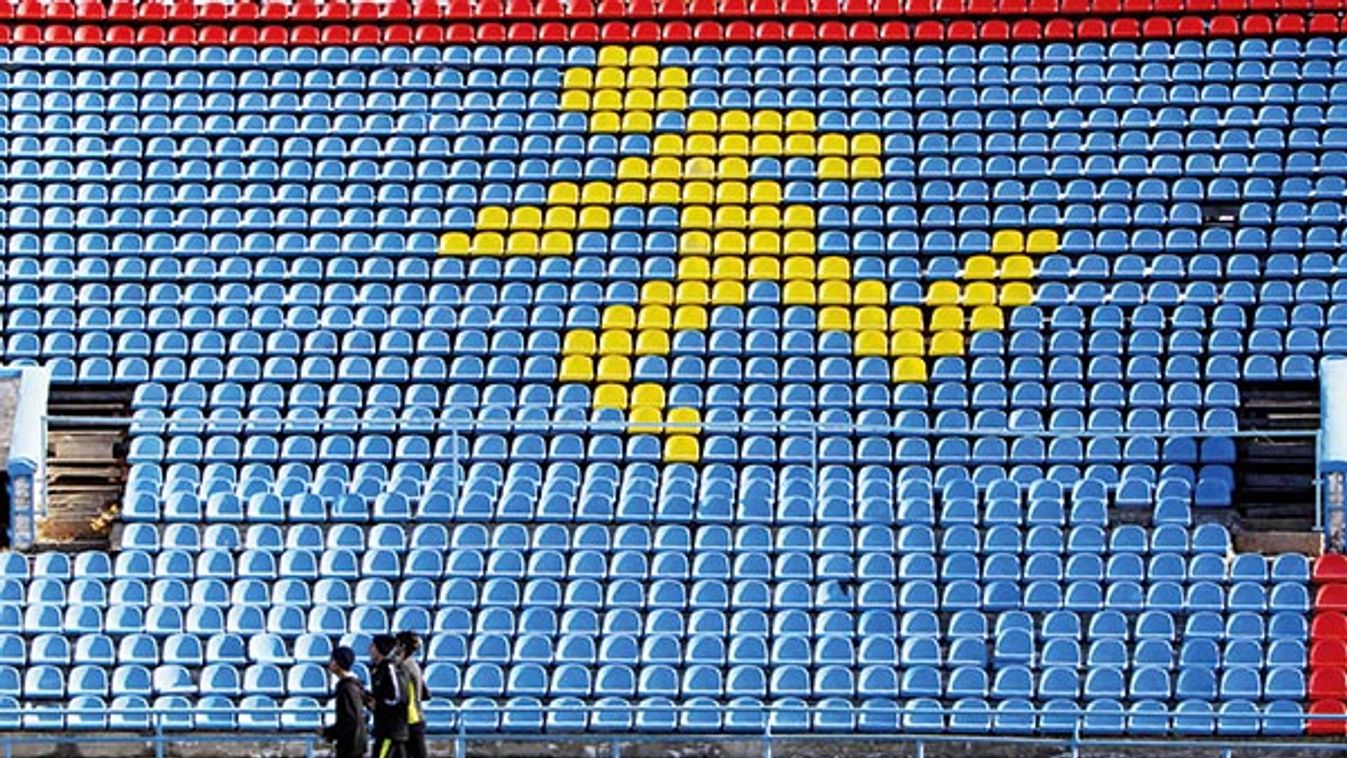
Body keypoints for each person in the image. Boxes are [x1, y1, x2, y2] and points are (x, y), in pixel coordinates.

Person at [320, 646, 367, 758]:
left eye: (332, 660)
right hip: (354, 742)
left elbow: (349, 720)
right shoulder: (352, 686)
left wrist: (329, 732)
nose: (329, 663)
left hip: (350, 745)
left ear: (337, 663)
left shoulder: (347, 689)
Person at [367, 634, 409, 758]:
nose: (369, 649)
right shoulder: (378, 669)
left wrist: (378, 704)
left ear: (381, 648)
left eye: (373, 646)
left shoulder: (391, 668)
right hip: (384, 728)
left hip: (390, 731)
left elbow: (398, 697)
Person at [395, 631, 430, 758]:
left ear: (402, 646)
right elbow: (426, 693)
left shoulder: (403, 667)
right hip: (417, 717)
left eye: (396, 644)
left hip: (409, 719)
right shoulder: (414, 664)